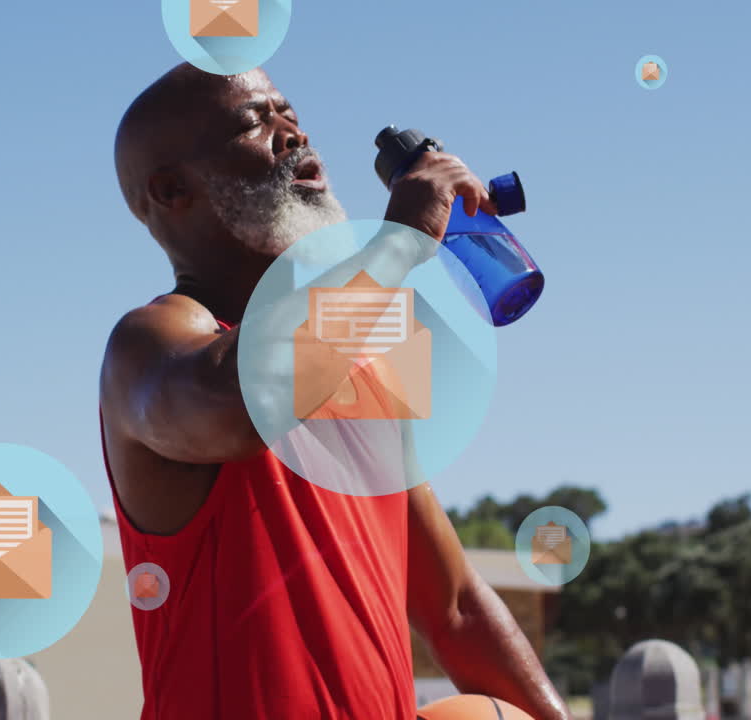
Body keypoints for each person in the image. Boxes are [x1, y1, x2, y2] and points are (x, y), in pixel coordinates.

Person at [101, 63, 571, 720]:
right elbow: (246, 401)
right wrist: (399, 242)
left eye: (290, 113)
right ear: (172, 188)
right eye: (254, 122)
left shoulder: (362, 362)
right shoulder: (149, 343)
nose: (292, 134)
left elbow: (454, 606)